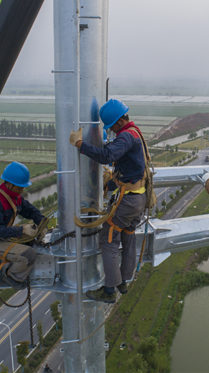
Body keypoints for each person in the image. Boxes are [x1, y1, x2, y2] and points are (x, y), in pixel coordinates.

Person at [69, 99, 147, 303]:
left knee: (108, 240)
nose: (111, 130)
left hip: (128, 200)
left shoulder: (126, 136)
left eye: (112, 126)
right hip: (138, 197)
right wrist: (111, 185)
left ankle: (110, 290)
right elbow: (125, 163)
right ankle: (123, 281)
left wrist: (80, 145)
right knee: (128, 238)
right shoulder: (135, 133)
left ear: (120, 120)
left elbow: (107, 156)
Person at [0, 161, 45, 290]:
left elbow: (30, 210)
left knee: (31, 242)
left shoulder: (14, 196)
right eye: (19, 187)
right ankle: (12, 276)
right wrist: (22, 230)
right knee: (28, 254)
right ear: (9, 184)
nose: (21, 191)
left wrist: (42, 223)